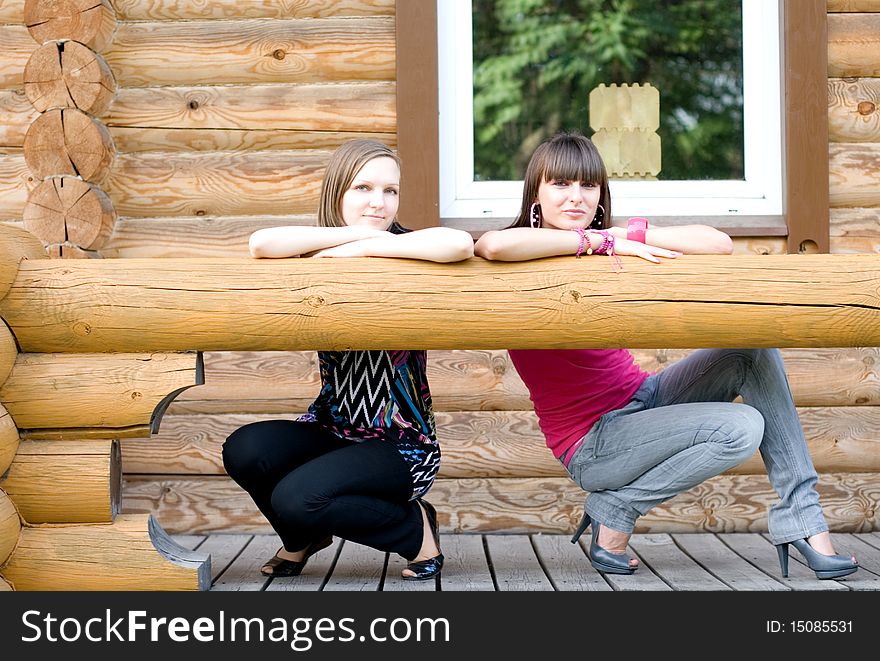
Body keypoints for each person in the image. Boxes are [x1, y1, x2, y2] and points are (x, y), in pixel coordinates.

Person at [474, 131, 858, 580]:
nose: (575, 198)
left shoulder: (613, 240)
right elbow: (493, 246)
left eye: (588, 186)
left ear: (601, 195)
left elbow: (718, 243)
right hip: (594, 440)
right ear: (536, 193)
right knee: (740, 428)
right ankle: (616, 507)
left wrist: (621, 233)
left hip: (645, 398)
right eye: (560, 184)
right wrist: (596, 243)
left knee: (752, 347)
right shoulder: (523, 251)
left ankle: (805, 522)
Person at [223, 139, 474, 581]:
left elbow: (457, 244)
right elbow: (261, 242)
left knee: (297, 497)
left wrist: (369, 246)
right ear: (337, 190)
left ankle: (416, 532)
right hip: (331, 429)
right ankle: (303, 539)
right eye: (363, 188)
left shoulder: (408, 249)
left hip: (401, 445)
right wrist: (354, 237)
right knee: (246, 450)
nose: (379, 202)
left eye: (390, 191)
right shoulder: (320, 245)